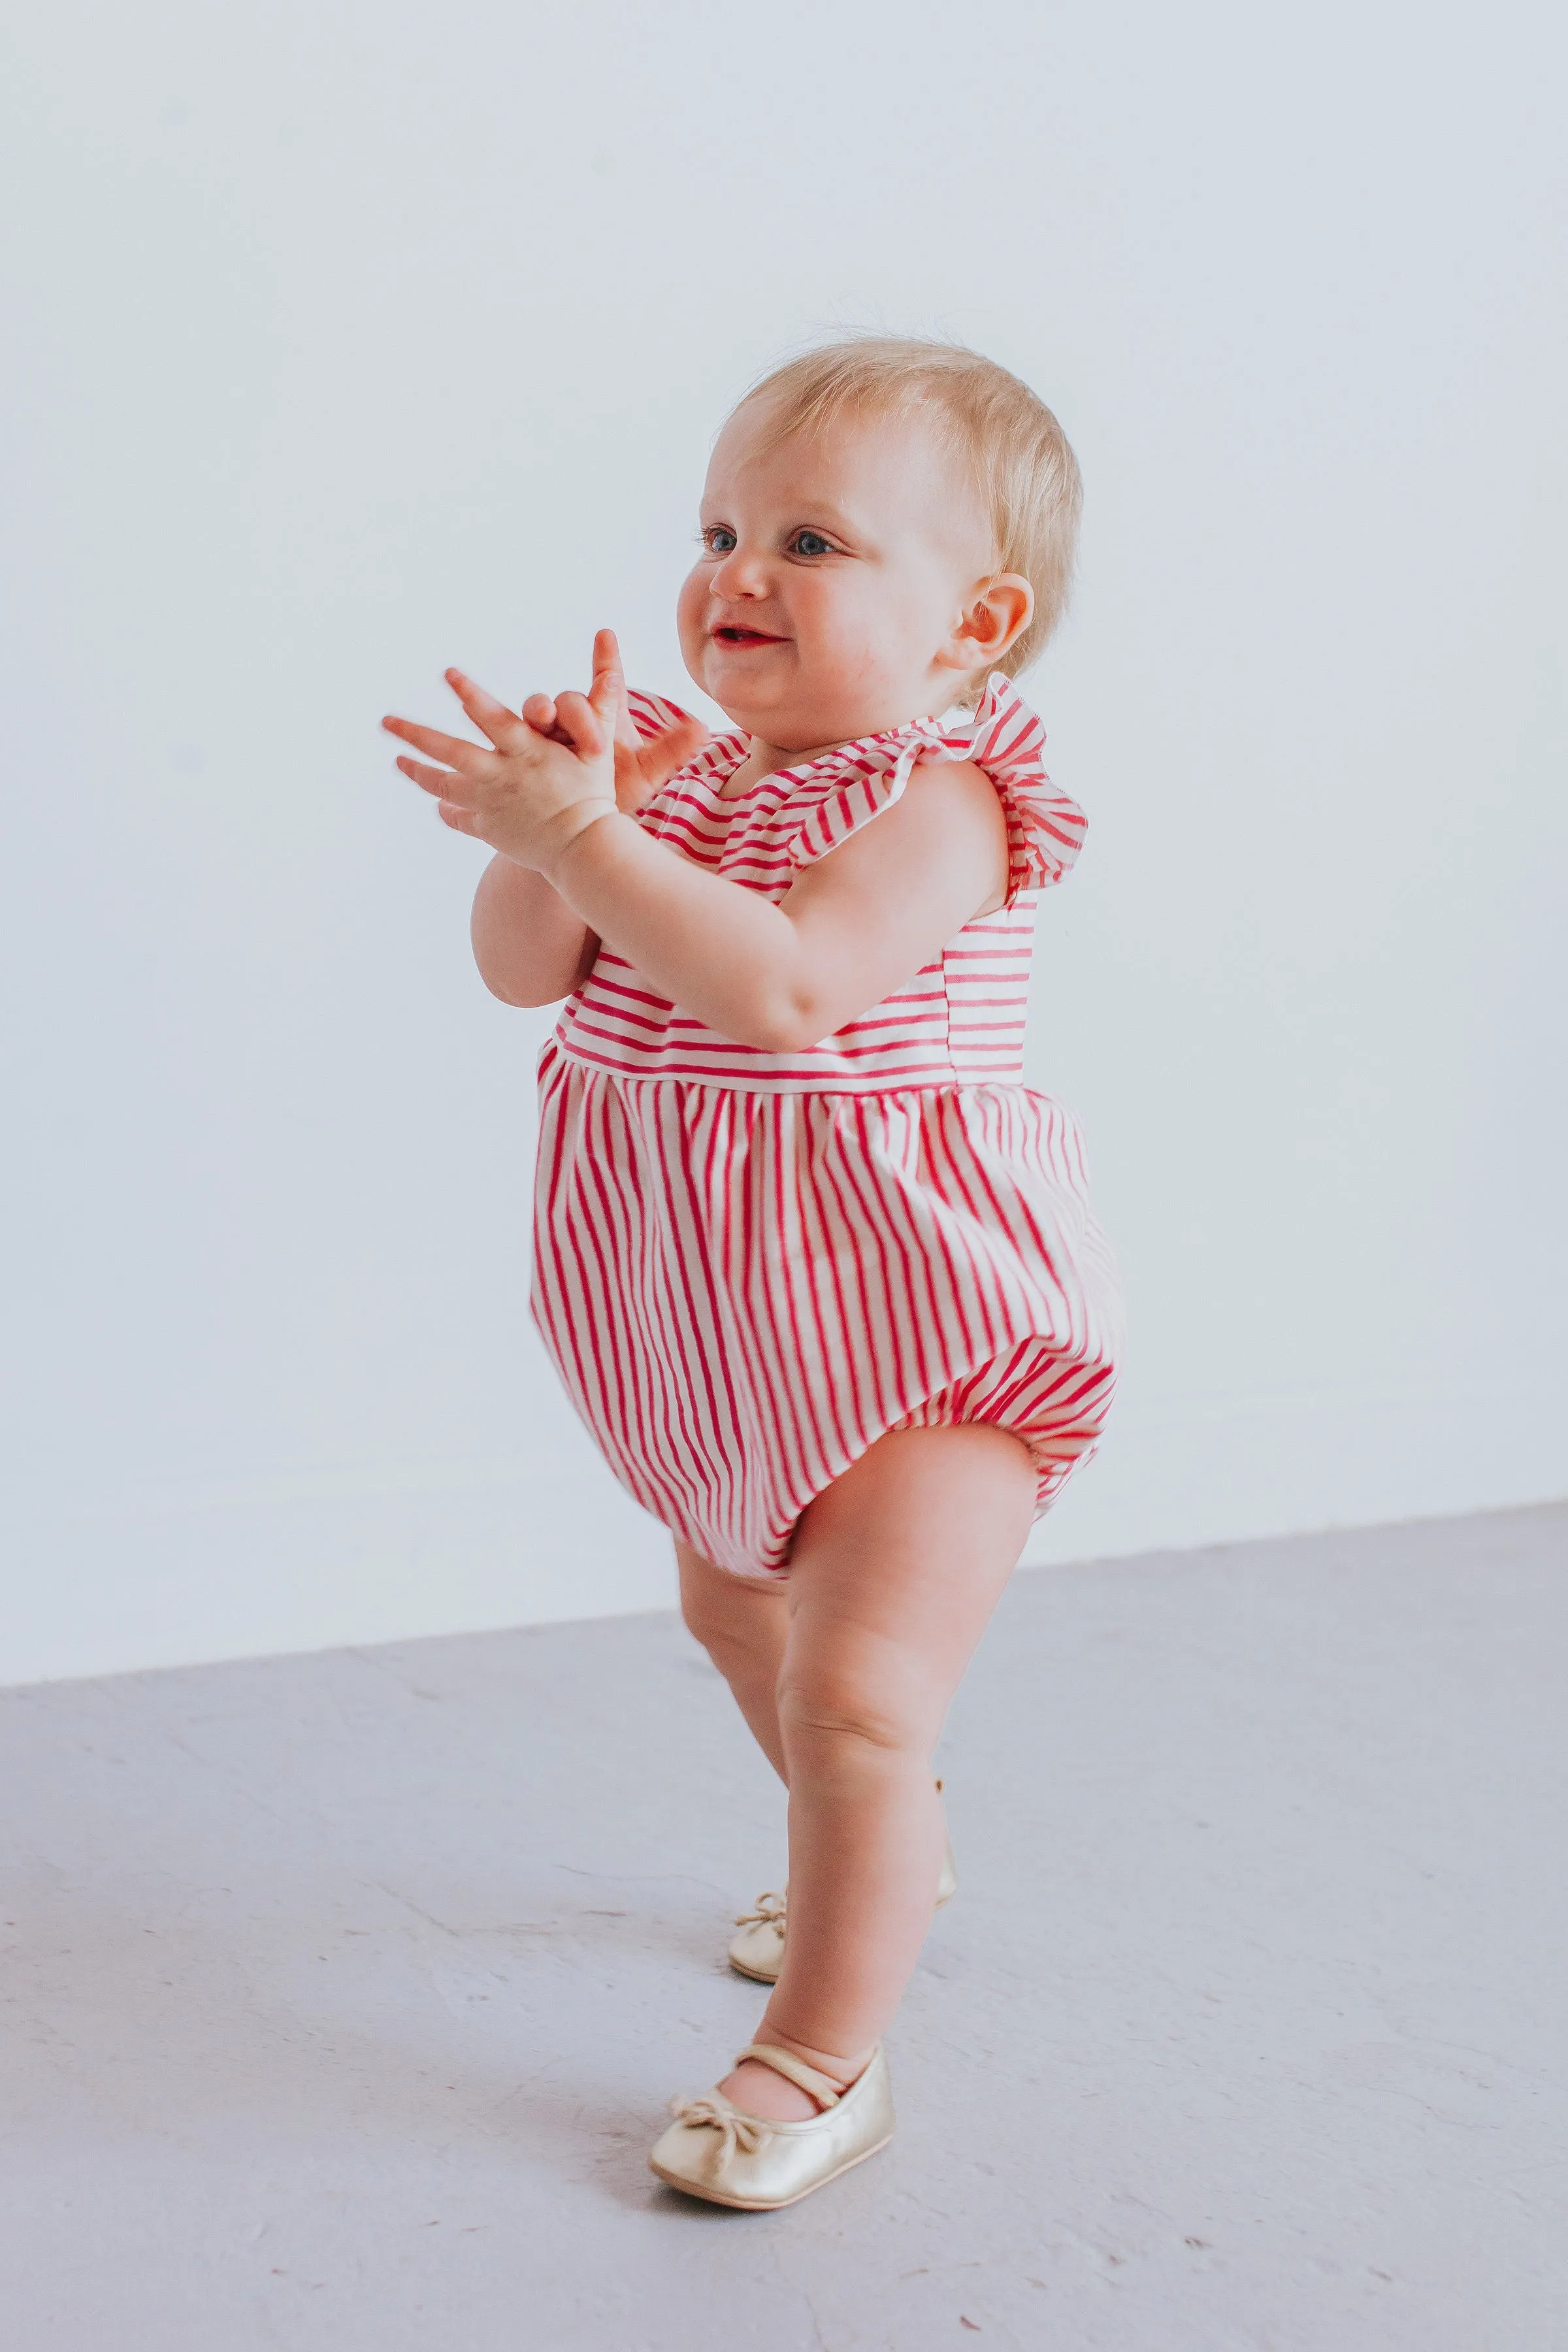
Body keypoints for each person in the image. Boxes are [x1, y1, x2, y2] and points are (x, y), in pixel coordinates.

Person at [382, 337, 1122, 2211]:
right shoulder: (690, 788)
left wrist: (600, 841)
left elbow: (783, 992)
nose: (737, 573)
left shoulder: (947, 797)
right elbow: (528, 969)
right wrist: (559, 827)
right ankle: (887, 1845)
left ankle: (824, 2046)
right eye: (718, 527)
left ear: (980, 622)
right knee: (738, 1624)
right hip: (724, 1326)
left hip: (927, 1318)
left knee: (860, 1696)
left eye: (812, 539)